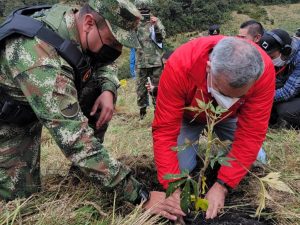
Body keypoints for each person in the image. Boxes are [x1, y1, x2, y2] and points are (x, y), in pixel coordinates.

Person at [0, 0, 185, 221]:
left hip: (34, 102)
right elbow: (74, 139)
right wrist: (142, 196)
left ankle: (85, 174)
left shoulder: (77, 25)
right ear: (88, 22)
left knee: (96, 88)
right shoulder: (36, 54)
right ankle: (93, 167)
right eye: (113, 42)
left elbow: (104, 63)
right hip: (9, 119)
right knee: (19, 203)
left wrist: (108, 89)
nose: (116, 51)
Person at [152, 36, 275, 219]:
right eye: (224, 93)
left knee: (257, 160)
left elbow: (251, 134)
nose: (227, 101)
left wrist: (223, 185)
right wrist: (174, 188)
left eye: (236, 96)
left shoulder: (262, 72)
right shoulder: (180, 64)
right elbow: (164, 130)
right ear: (209, 68)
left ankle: (221, 160)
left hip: (229, 117)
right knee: (181, 166)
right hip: (189, 117)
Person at [259, 29, 300, 128]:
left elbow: (288, 92)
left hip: (294, 90)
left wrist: (259, 98)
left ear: (286, 50)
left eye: (272, 57)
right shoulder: (282, 56)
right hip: (294, 89)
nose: (269, 61)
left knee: (284, 112)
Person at [134, 0, 166, 119]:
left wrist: (156, 25)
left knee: (157, 88)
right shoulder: (134, 23)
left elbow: (162, 37)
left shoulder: (155, 21)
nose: (144, 13)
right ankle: (142, 111)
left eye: (145, 11)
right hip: (141, 61)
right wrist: (134, 22)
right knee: (140, 89)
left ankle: (158, 111)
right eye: (141, 11)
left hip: (156, 61)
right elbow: (129, 37)